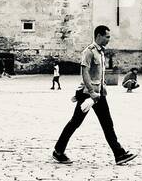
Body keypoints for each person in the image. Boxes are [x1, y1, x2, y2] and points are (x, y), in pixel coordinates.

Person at [53, 25, 136, 166]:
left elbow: (98, 74)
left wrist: (103, 88)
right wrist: (91, 91)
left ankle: (119, 154)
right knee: (75, 122)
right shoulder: (89, 52)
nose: (109, 39)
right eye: (107, 36)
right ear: (99, 36)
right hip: (87, 94)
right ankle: (58, 151)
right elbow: (84, 73)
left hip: (98, 95)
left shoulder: (101, 52)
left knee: (107, 124)